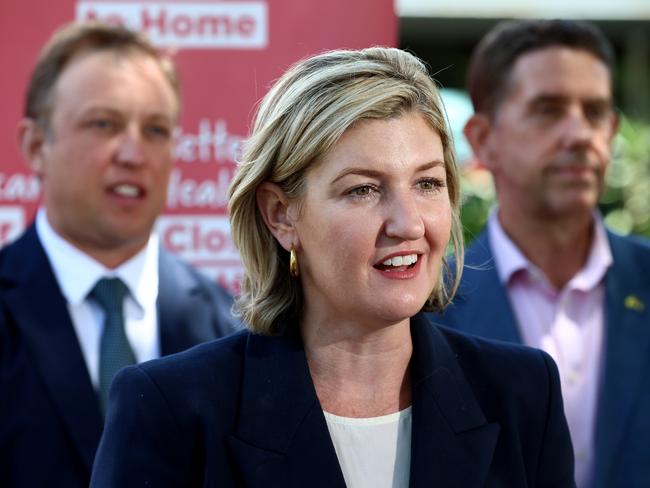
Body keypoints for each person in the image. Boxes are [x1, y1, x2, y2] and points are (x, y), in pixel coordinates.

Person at [90, 47, 575, 488]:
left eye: (427, 184)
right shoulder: (170, 407)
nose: (408, 224)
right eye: (363, 189)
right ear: (280, 214)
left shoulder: (523, 393)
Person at [0, 21, 240, 488]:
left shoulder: (228, 326)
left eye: (156, 129)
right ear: (34, 146)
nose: (134, 153)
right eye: (103, 124)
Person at [433, 19, 650, 488]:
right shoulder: (424, 309)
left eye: (594, 112)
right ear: (482, 139)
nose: (579, 135)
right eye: (548, 110)